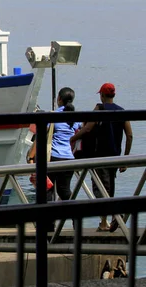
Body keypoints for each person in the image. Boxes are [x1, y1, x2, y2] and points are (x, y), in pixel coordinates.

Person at [70, 83, 133, 232]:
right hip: (116, 156)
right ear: (114, 95)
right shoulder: (121, 111)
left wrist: (73, 138)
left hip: (100, 156)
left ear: (102, 95)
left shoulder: (100, 108)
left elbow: (87, 128)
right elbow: (129, 136)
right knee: (109, 188)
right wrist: (126, 158)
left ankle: (115, 215)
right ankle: (105, 223)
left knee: (100, 190)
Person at [26, 88, 81, 202]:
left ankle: (48, 218)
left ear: (59, 99)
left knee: (48, 190)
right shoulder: (75, 118)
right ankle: (76, 216)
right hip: (69, 158)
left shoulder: (53, 116)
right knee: (64, 192)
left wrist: (31, 156)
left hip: (53, 158)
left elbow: (42, 136)